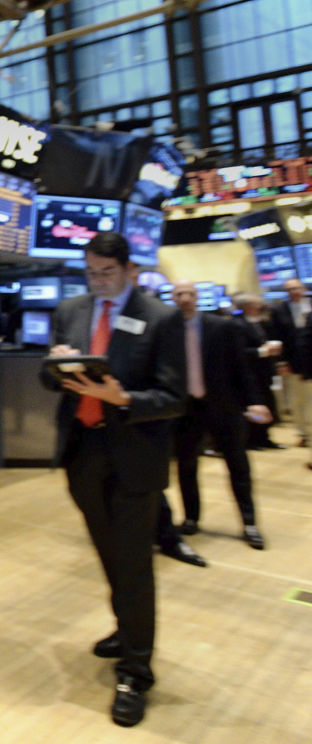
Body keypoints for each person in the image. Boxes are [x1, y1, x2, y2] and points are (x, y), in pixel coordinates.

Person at [41, 232, 186, 727]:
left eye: (107, 272)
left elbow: (174, 397)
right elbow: (48, 378)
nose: (98, 281)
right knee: (109, 553)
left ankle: (137, 671)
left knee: (133, 564)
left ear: (129, 270)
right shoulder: (73, 311)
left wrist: (123, 399)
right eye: (91, 272)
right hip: (84, 453)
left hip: (134, 456)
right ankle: (128, 630)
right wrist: (58, 363)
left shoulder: (160, 317)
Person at [168, 281, 270, 549]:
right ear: (172, 298)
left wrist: (255, 402)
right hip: (187, 410)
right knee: (186, 467)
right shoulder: (167, 330)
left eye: (190, 294)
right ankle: (191, 518)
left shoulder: (221, 326)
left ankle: (249, 523)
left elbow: (241, 367)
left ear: (198, 297)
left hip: (225, 407)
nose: (185, 298)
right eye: (180, 294)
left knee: (238, 466)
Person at [232, 294, 282, 451]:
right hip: (250, 373)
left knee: (268, 404)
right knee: (255, 405)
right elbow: (238, 351)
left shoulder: (258, 322)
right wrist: (262, 351)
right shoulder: (237, 324)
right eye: (257, 304)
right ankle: (253, 439)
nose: (260, 307)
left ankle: (264, 437)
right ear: (247, 306)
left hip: (264, 372)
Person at [268, 278, 310, 446]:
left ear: (303, 288)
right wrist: (281, 362)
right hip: (292, 362)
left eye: (296, 288)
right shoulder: (279, 310)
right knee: (296, 400)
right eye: (290, 289)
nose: (294, 292)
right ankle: (303, 434)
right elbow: (276, 338)